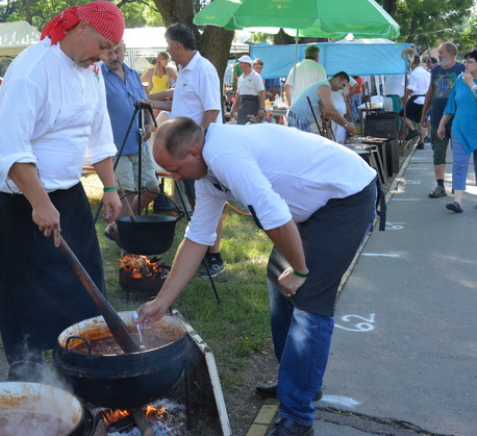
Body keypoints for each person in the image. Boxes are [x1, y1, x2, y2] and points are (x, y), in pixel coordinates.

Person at [135, 117, 379, 436]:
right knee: (279, 283)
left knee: (309, 301)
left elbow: (274, 214)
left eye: (176, 170)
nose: (176, 178)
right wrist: (162, 301)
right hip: (309, 206)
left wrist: (302, 269)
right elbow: (197, 237)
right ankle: (298, 379)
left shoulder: (225, 156)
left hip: (344, 197)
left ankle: (298, 417)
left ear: (194, 153)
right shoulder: (207, 174)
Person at [0, 0, 124, 369]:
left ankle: (78, 357)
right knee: (27, 292)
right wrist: (39, 202)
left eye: (111, 50)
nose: (106, 56)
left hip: (69, 195)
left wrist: (109, 187)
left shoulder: (90, 72)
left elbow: (99, 133)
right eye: (103, 47)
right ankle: (28, 367)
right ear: (81, 30)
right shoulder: (32, 69)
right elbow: (11, 146)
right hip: (23, 202)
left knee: (83, 284)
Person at [148, 23, 225, 276]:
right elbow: (177, 95)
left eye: (168, 44)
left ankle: (214, 257)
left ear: (177, 45)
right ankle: (202, 252)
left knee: (210, 201)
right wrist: (148, 98)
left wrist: (199, 148)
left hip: (200, 151)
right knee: (195, 201)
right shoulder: (184, 70)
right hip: (186, 152)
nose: (166, 49)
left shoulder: (203, 69)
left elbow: (212, 110)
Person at [102, 42, 160, 244]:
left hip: (138, 145)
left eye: (117, 50)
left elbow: (144, 103)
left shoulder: (134, 75)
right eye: (108, 51)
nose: (113, 55)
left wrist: (147, 124)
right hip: (115, 147)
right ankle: (127, 246)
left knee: (152, 189)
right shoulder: (98, 76)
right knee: (125, 194)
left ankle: (117, 225)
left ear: (124, 50)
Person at [437, 48, 477, 212]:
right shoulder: (460, 79)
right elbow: (452, 103)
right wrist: (442, 124)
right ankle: (457, 201)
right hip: (460, 128)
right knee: (459, 164)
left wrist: (471, 83)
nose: (466, 64)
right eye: (465, 61)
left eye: (469, 62)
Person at [420, 42, 465, 198]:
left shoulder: (462, 69)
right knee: (438, 153)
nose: (438, 56)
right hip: (437, 118)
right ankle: (440, 186)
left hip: (457, 120)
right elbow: (430, 92)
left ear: (451, 53)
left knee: (459, 153)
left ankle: (458, 185)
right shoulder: (436, 70)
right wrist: (424, 114)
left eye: (441, 53)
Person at [287, 71, 356, 138]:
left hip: (300, 118)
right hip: (298, 118)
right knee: (301, 146)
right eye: (343, 85)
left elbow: (328, 110)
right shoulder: (325, 87)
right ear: (337, 79)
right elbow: (331, 111)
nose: (342, 88)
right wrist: (346, 124)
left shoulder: (326, 87)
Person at [400, 57, 431, 149]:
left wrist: (404, 98)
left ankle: (413, 130)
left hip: (417, 98)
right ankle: (421, 143)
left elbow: (411, 88)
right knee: (421, 121)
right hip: (426, 99)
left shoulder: (414, 73)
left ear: (414, 63)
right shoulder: (427, 73)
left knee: (402, 114)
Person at [230, 55, 266, 124]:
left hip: (253, 104)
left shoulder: (256, 76)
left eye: (241, 63)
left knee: (252, 126)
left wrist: (261, 108)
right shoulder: (240, 78)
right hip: (242, 105)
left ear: (247, 64)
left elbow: (262, 92)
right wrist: (233, 107)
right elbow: (238, 94)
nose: (239, 65)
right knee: (241, 126)